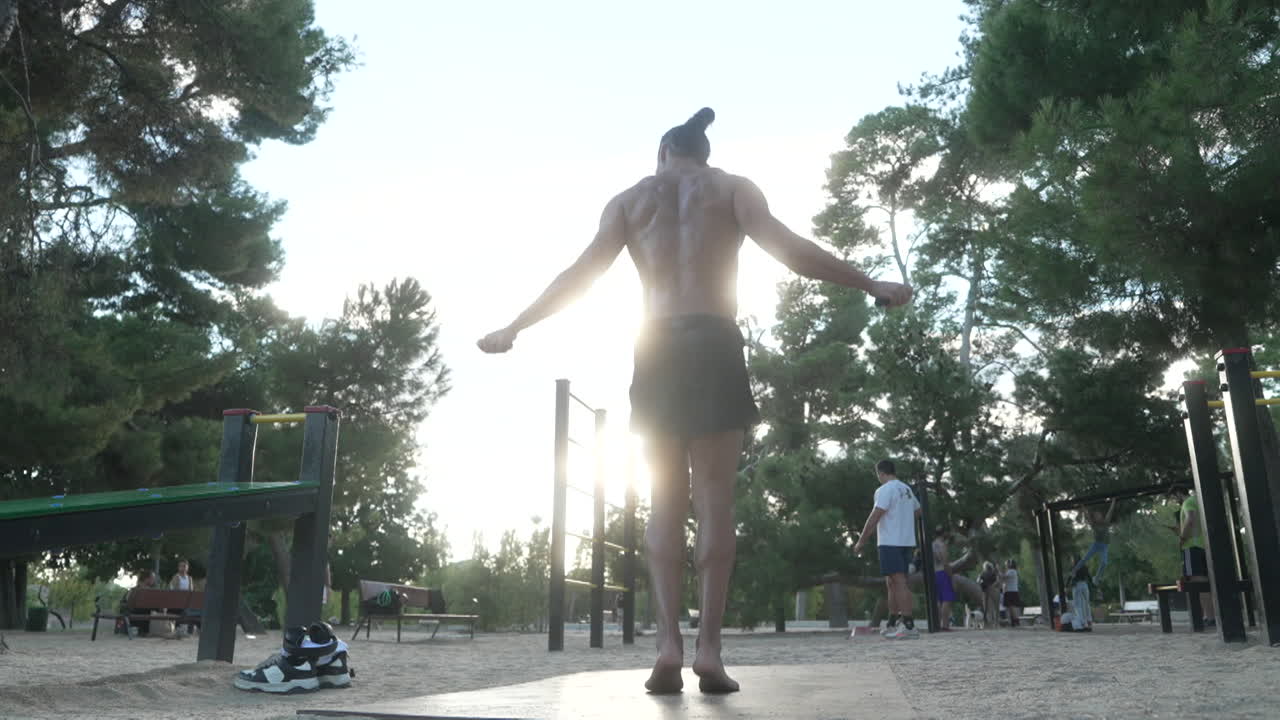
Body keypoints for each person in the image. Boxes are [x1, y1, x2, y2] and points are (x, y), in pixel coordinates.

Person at [478, 108, 912, 693]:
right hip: (713, 341)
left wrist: (516, 325)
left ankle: (667, 646)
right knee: (715, 500)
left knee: (664, 502)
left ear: (661, 153)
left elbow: (582, 274)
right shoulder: (733, 188)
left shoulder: (631, 199)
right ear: (703, 155)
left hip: (655, 344)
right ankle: (709, 651)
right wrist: (871, 283)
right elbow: (790, 250)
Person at [853, 460, 922, 640]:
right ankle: (893, 622)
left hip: (890, 541)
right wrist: (901, 520)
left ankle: (908, 625)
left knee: (899, 582)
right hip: (906, 541)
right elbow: (918, 510)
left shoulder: (884, 490)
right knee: (891, 582)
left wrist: (861, 541)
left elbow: (875, 515)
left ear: (880, 473)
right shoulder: (906, 489)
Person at [1169, 487, 1216, 628]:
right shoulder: (1198, 501)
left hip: (1191, 548)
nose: (1173, 501)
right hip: (1203, 546)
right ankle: (1212, 615)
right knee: (1207, 583)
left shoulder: (1187, 502)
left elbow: (1190, 519)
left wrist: (1182, 538)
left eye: (1172, 498)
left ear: (1178, 493)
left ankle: (1209, 617)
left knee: (1198, 583)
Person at [1072, 498, 1117, 583]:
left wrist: (1113, 502)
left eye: (1098, 515)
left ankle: (1096, 578)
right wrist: (1083, 506)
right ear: (1095, 519)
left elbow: (1110, 511)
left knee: (1104, 563)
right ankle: (1074, 571)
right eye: (1096, 516)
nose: (1097, 517)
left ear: (1101, 516)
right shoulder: (1093, 524)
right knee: (1085, 558)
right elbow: (1087, 516)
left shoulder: (1106, 522)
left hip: (1104, 546)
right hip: (1096, 545)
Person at [932, 527, 957, 630]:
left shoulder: (932, 544)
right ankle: (945, 625)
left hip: (934, 573)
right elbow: (945, 562)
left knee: (938, 599)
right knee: (947, 599)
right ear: (943, 534)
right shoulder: (942, 545)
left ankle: (936, 624)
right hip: (942, 572)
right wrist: (951, 576)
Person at [978, 561, 1000, 630]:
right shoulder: (993, 573)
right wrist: (992, 586)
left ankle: (986, 624)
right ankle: (996, 623)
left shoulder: (982, 573)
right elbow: (997, 581)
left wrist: (982, 584)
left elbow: (978, 581)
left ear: (984, 567)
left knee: (986, 608)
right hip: (993, 590)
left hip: (984, 591)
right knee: (996, 607)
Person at [1002, 559, 1023, 627]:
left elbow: (1003, 577)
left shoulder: (1012, 571)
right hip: (1010, 591)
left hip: (1011, 591)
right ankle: (1013, 620)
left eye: (1006, 564)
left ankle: (1015, 620)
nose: (1005, 565)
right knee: (1010, 607)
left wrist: (998, 571)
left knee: (1012, 606)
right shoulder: (1010, 571)